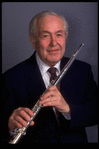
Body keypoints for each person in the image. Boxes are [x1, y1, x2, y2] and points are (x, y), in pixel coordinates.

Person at [2, 11, 98, 144]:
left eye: (59, 35)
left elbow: (95, 112)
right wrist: (11, 127)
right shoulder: (11, 78)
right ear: (33, 40)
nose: (54, 43)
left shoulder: (83, 70)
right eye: (46, 36)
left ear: (66, 36)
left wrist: (67, 109)